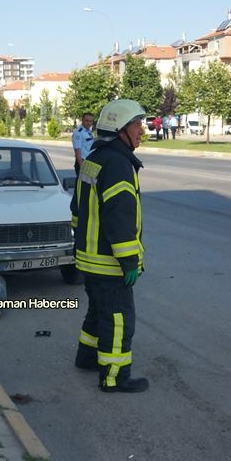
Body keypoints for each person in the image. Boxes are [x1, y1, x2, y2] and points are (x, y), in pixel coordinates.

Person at [71, 99, 149, 393]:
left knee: (98, 312)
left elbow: (77, 209)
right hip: (109, 263)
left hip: (89, 260)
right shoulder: (118, 164)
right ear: (121, 129)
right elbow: (120, 219)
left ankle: (87, 358)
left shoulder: (95, 159)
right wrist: (129, 262)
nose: (142, 130)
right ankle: (115, 377)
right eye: (137, 124)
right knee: (118, 319)